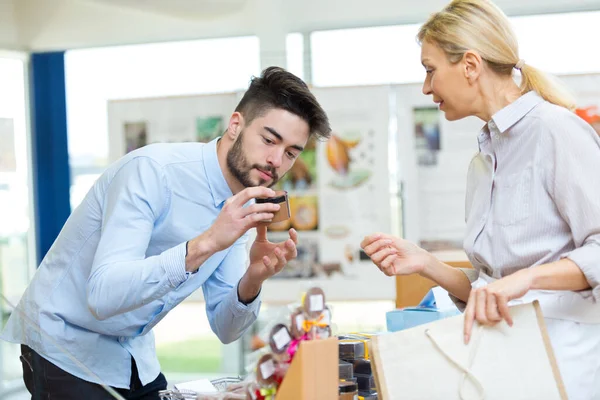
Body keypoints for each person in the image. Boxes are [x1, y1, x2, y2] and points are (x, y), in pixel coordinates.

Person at [2, 66, 331, 399]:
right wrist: (206, 243)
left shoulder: (241, 203)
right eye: (268, 139)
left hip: (131, 351)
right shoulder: (151, 171)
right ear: (236, 125)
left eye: (290, 153)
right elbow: (103, 295)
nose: (276, 160)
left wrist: (253, 280)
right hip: (64, 342)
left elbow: (226, 328)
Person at [361, 1, 600, 399]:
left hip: (565, 365)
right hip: (505, 360)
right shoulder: (484, 159)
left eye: (430, 70)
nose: (425, 87)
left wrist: (523, 282)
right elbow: (491, 289)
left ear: (470, 65)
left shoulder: (557, 131)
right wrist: (425, 262)